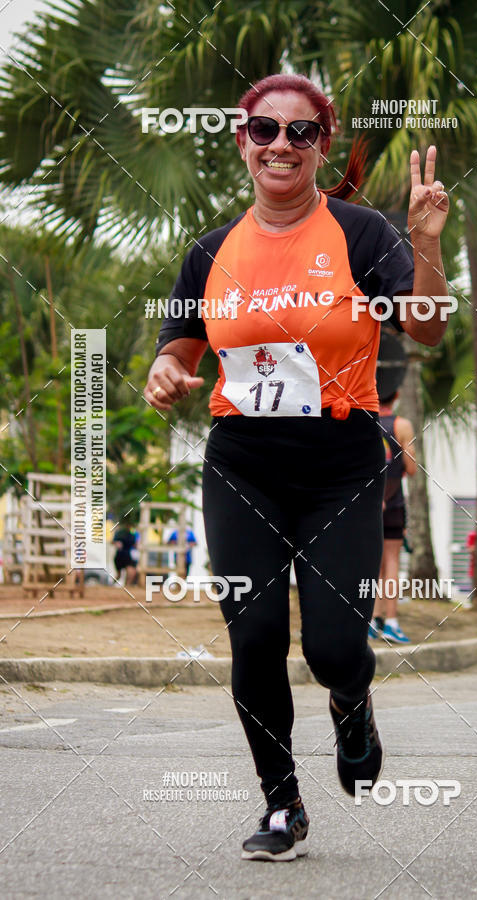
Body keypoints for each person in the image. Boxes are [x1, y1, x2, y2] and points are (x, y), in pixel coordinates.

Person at [144, 73, 449, 861]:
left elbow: (427, 331)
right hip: (243, 460)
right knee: (253, 636)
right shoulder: (211, 250)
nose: (282, 145)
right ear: (242, 140)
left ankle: (354, 702)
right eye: (266, 130)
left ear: (319, 145)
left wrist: (426, 241)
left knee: (334, 650)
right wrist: (166, 370)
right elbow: (180, 342)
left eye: (302, 133)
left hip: (341, 461)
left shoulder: (359, 233)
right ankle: (283, 806)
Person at [369, 390, 416, 643]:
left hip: (367, 504)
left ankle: (372, 621)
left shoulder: (364, 421)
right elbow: (411, 467)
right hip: (394, 501)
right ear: (398, 393)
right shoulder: (402, 425)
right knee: (392, 562)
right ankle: (392, 622)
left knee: (372, 564)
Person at [112, 521, 139, 586]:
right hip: (121, 555)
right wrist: (116, 543)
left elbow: (136, 544)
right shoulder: (120, 532)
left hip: (127, 555)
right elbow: (113, 541)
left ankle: (126, 585)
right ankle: (113, 585)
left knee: (129, 572)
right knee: (119, 575)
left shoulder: (134, 533)